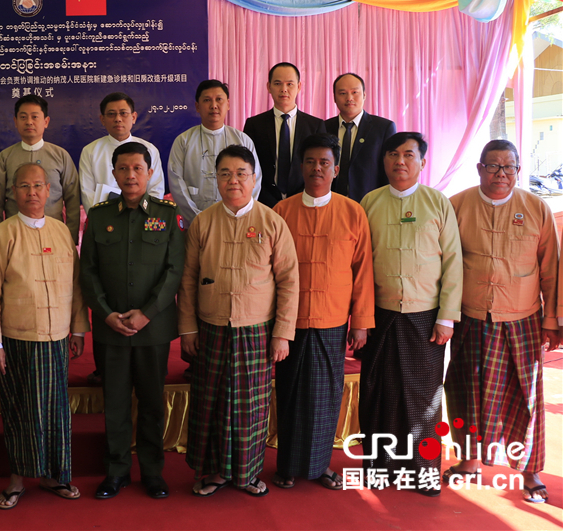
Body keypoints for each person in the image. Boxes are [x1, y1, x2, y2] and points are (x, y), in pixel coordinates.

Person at [178, 145, 299, 497]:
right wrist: (187, 328)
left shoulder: (271, 221)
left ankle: (246, 474)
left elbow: (289, 280)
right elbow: (188, 279)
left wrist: (282, 334)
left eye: (241, 173)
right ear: (216, 179)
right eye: (225, 174)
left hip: (255, 330)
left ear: (254, 178)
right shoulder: (203, 221)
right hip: (211, 326)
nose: (234, 180)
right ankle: (213, 472)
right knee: (211, 402)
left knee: (250, 406)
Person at [445, 140, 560, 504]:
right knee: (466, 392)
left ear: (518, 171)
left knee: (525, 397)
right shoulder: (457, 206)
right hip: (471, 315)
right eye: (493, 167)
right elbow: (444, 263)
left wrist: (553, 319)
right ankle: (469, 462)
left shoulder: (536, 208)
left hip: (522, 317)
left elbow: (552, 269)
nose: (501, 175)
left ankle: (530, 470)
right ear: (479, 169)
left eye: (509, 167)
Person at [0, 163, 90, 510]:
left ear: (49, 191)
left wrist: (77, 328)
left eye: (38, 186)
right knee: (19, 410)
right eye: (24, 186)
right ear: (13, 192)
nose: (32, 193)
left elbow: (75, 286)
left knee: (56, 411)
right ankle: (17, 479)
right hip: (17, 338)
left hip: (57, 337)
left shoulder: (61, 232)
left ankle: (53, 475)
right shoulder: (2, 234)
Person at [358, 132, 462, 496]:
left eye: (408, 155)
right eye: (393, 154)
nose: (400, 161)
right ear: (383, 161)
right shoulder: (369, 202)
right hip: (380, 315)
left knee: (423, 397)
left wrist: (447, 316)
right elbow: (359, 266)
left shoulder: (437, 203)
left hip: (425, 316)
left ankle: (423, 472)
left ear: (421, 162)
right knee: (378, 391)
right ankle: (380, 468)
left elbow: (453, 262)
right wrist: (360, 317)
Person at [80, 142, 184, 500]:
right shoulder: (99, 216)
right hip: (110, 330)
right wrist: (106, 313)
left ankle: (153, 472)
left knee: (153, 404)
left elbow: (174, 272)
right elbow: (88, 271)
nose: (130, 175)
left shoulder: (167, 215)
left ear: (150, 173)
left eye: (137, 168)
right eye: (123, 169)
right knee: (116, 404)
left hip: (152, 330)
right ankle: (116, 472)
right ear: (114, 174)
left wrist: (147, 313)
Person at [271, 134, 374, 490]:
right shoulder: (282, 211)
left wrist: (360, 324)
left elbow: (363, 273)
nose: (317, 168)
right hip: (290, 322)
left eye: (324, 163)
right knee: (289, 395)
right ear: (301, 167)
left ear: (336, 168)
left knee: (326, 397)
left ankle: (319, 467)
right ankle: (286, 465)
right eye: (311, 162)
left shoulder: (352, 211)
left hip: (332, 320)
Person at [168, 80, 262, 226]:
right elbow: (176, 184)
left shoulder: (243, 140)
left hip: (236, 222)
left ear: (228, 104)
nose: (213, 106)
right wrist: (199, 220)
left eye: (219, 99)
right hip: (194, 224)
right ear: (197, 106)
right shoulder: (183, 141)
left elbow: (254, 181)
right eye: (207, 100)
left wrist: (240, 214)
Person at [0, 94, 80, 243]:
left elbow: (73, 201)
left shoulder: (61, 155)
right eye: (23, 117)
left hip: (54, 234)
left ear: (46, 121)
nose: (29, 122)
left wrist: (70, 237)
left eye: (35, 117)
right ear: (15, 122)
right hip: (14, 235)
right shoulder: (5, 157)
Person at [243, 63, 326, 208]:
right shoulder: (254, 125)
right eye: (277, 83)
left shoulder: (316, 126)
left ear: (299, 86)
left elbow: (320, 165)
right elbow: (248, 166)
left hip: (304, 201)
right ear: (268, 87)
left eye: (290, 84)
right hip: (263, 201)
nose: (284, 89)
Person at [79, 91, 165, 209]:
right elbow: (87, 193)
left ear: (133, 117)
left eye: (123, 113)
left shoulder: (150, 150)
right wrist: (101, 219)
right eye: (111, 114)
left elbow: (156, 190)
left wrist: (141, 217)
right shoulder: (90, 151)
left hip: (143, 220)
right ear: (102, 119)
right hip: (104, 220)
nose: (118, 119)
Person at [324, 73, 397, 202]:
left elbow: (389, 170)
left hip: (371, 203)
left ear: (364, 95)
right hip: (330, 203)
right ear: (334, 98)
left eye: (355, 92)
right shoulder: (324, 127)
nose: (349, 98)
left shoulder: (383, 128)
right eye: (342, 93)